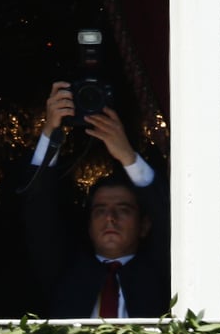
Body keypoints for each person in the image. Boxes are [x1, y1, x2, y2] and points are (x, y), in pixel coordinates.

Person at [19, 81, 170, 319]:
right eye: (100, 210)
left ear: (144, 225)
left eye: (123, 209)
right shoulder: (65, 270)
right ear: (88, 225)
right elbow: (39, 212)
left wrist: (128, 157)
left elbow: (168, 216)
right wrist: (51, 132)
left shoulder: (163, 270)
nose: (110, 218)